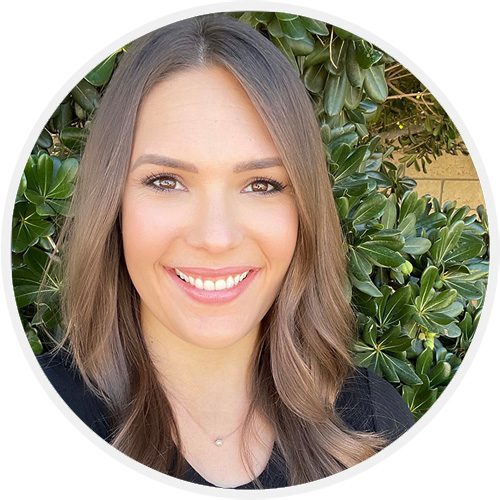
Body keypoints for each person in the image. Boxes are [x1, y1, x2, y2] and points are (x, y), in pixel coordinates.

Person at [36, 13, 414, 489]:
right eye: (166, 182)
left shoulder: (371, 423)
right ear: (113, 204)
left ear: (303, 210)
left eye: (261, 184)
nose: (215, 237)